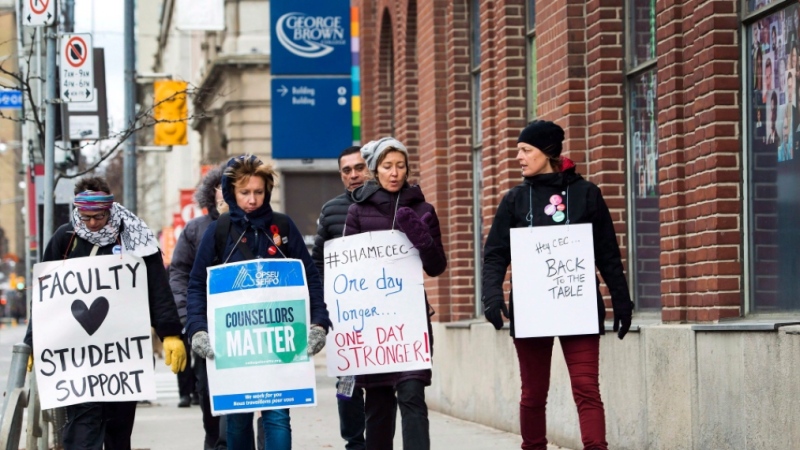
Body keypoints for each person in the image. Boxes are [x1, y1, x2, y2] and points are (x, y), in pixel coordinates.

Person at [481, 120, 633, 450]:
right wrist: (491, 296)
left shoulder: (586, 194)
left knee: (586, 388)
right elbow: (494, 254)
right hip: (532, 310)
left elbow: (607, 253)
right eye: (518, 151)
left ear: (547, 152)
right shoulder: (514, 200)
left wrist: (622, 300)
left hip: (577, 307)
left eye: (525, 150)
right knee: (533, 393)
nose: (518, 157)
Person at [24, 176, 186, 450]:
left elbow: (157, 287)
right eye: (85, 217)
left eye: (98, 216)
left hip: (122, 357)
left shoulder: (136, 238)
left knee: (118, 430)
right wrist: (32, 342)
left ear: (109, 210)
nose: (91, 223)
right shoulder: (64, 239)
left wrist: (170, 333)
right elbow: (44, 297)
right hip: (77, 358)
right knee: (82, 429)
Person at [185, 155, 332, 450]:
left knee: (277, 416)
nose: (252, 200)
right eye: (244, 192)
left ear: (267, 192)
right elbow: (197, 284)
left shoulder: (283, 227)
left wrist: (318, 322)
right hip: (235, 345)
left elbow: (310, 278)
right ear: (231, 192)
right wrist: (198, 329)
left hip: (278, 343)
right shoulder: (220, 230)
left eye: (258, 192)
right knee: (237, 419)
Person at [344, 138, 447, 450]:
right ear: (375, 170)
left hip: (410, 320)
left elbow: (437, 266)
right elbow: (347, 269)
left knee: (413, 395)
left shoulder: (424, 210)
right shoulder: (358, 212)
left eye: (400, 166)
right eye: (387, 166)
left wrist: (416, 231)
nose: (394, 173)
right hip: (374, 324)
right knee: (378, 403)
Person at [311, 146, 394, 450]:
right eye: (346, 171)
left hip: (385, 313)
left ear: (370, 168)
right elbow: (318, 260)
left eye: (359, 167)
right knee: (346, 384)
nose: (354, 175)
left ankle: (378, 443)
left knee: (383, 385)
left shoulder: (390, 203)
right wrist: (321, 302)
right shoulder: (331, 210)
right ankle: (354, 442)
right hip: (345, 315)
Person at [168, 165, 229, 449]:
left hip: (250, 327)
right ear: (212, 192)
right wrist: (188, 319)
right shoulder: (196, 229)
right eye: (223, 186)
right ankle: (214, 439)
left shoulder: (263, 225)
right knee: (207, 395)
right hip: (208, 328)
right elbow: (179, 274)